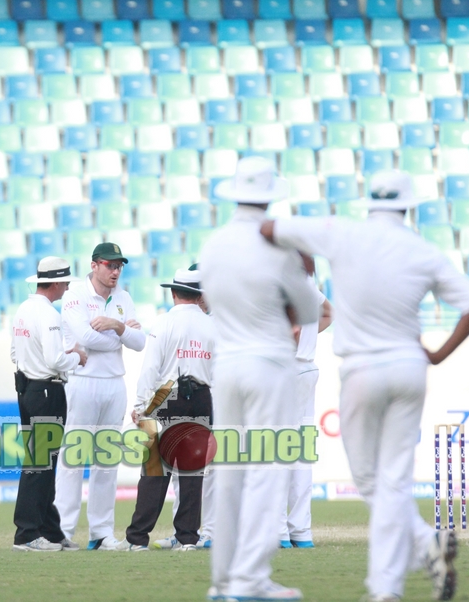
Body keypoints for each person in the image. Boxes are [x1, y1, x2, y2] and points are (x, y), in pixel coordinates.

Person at [261, 170, 469, 602]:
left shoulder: (341, 233)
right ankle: (390, 584)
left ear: (370, 202)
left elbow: (269, 227)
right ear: (407, 205)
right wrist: (438, 355)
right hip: (409, 366)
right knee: (394, 481)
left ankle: (416, 552)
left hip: (362, 367)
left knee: (370, 481)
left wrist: (296, 258)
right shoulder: (422, 250)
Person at [199, 156, 321, 602]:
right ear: (272, 194)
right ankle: (250, 580)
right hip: (269, 363)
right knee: (270, 470)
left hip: (227, 366)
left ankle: (224, 580)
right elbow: (309, 311)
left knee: (229, 473)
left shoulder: (212, 245)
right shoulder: (279, 244)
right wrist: (303, 263)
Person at [116, 267, 216, 552]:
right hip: (201, 396)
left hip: (166, 395)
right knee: (192, 472)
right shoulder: (213, 326)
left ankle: (137, 538)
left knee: (155, 470)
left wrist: (140, 406)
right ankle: (187, 537)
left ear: (173, 293)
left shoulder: (163, 324)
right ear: (198, 295)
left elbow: (151, 369)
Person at [54, 242, 146, 550]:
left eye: (119, 266)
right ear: (94, 265)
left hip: (114, 382)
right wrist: (120, 334)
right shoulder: (75, 295)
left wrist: (115, 325)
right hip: (82, 381)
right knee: (73, 457)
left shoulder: (124, 298)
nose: (115, 271)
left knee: (107, 459)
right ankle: (63, 530)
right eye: (110, 265)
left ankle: (101, 532)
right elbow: (84, 337)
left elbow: (140, 342)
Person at [10, 257, 86, 552]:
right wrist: (77, 357)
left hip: (27, 388)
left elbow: (15, 351)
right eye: (65, 282)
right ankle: (27, 534)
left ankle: (49, 530)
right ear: (55, 283)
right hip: (46, 391)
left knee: (42, 461)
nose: (67, 287)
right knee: (41, 463)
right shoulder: (49, 314)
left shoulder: (23, 310)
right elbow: (56, 360)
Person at [280, 277, 333, 549]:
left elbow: (294, 328)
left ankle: (278, 530)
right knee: (300, 451)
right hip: (307, 366)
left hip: (286, 367)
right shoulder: (308, 284)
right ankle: (300, 530)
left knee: (274, 448)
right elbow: (329, 313)